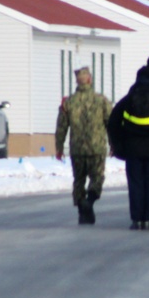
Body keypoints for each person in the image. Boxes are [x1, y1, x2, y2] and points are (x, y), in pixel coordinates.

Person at [107, 67, 149, 229]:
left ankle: (137, 218)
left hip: (133, 150)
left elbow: (113, 123)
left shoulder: (128, 100)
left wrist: (118, 145)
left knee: (136, 184)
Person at [54, 66, 113, 225]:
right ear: (89, 80)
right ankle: (91, 200)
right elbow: (110, 123)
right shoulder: (101, 100)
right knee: (97, 177)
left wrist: (59, 147)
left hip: (77, 148)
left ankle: (82, 210)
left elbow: (61, 127)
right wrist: (113, 144)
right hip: (97, 148)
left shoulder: (69, 102)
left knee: (78, 179)